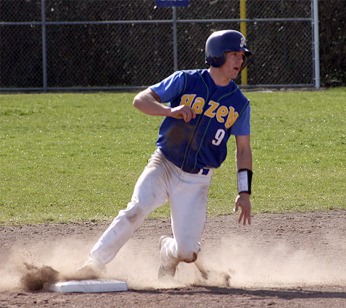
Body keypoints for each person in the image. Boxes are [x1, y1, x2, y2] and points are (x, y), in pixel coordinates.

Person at [77, 29, 254, 281]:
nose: (239, 60)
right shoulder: (186, 80)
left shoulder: (239, 103)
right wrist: (170, 111)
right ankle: (94, 262)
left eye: (242, 55)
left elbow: (243, 149)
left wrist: (244, 191)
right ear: (216, 55)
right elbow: (141, 100)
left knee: (187, 251)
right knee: (136, 208)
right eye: (233, 54)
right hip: (164, 163)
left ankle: (167, 253)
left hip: (197, 180)